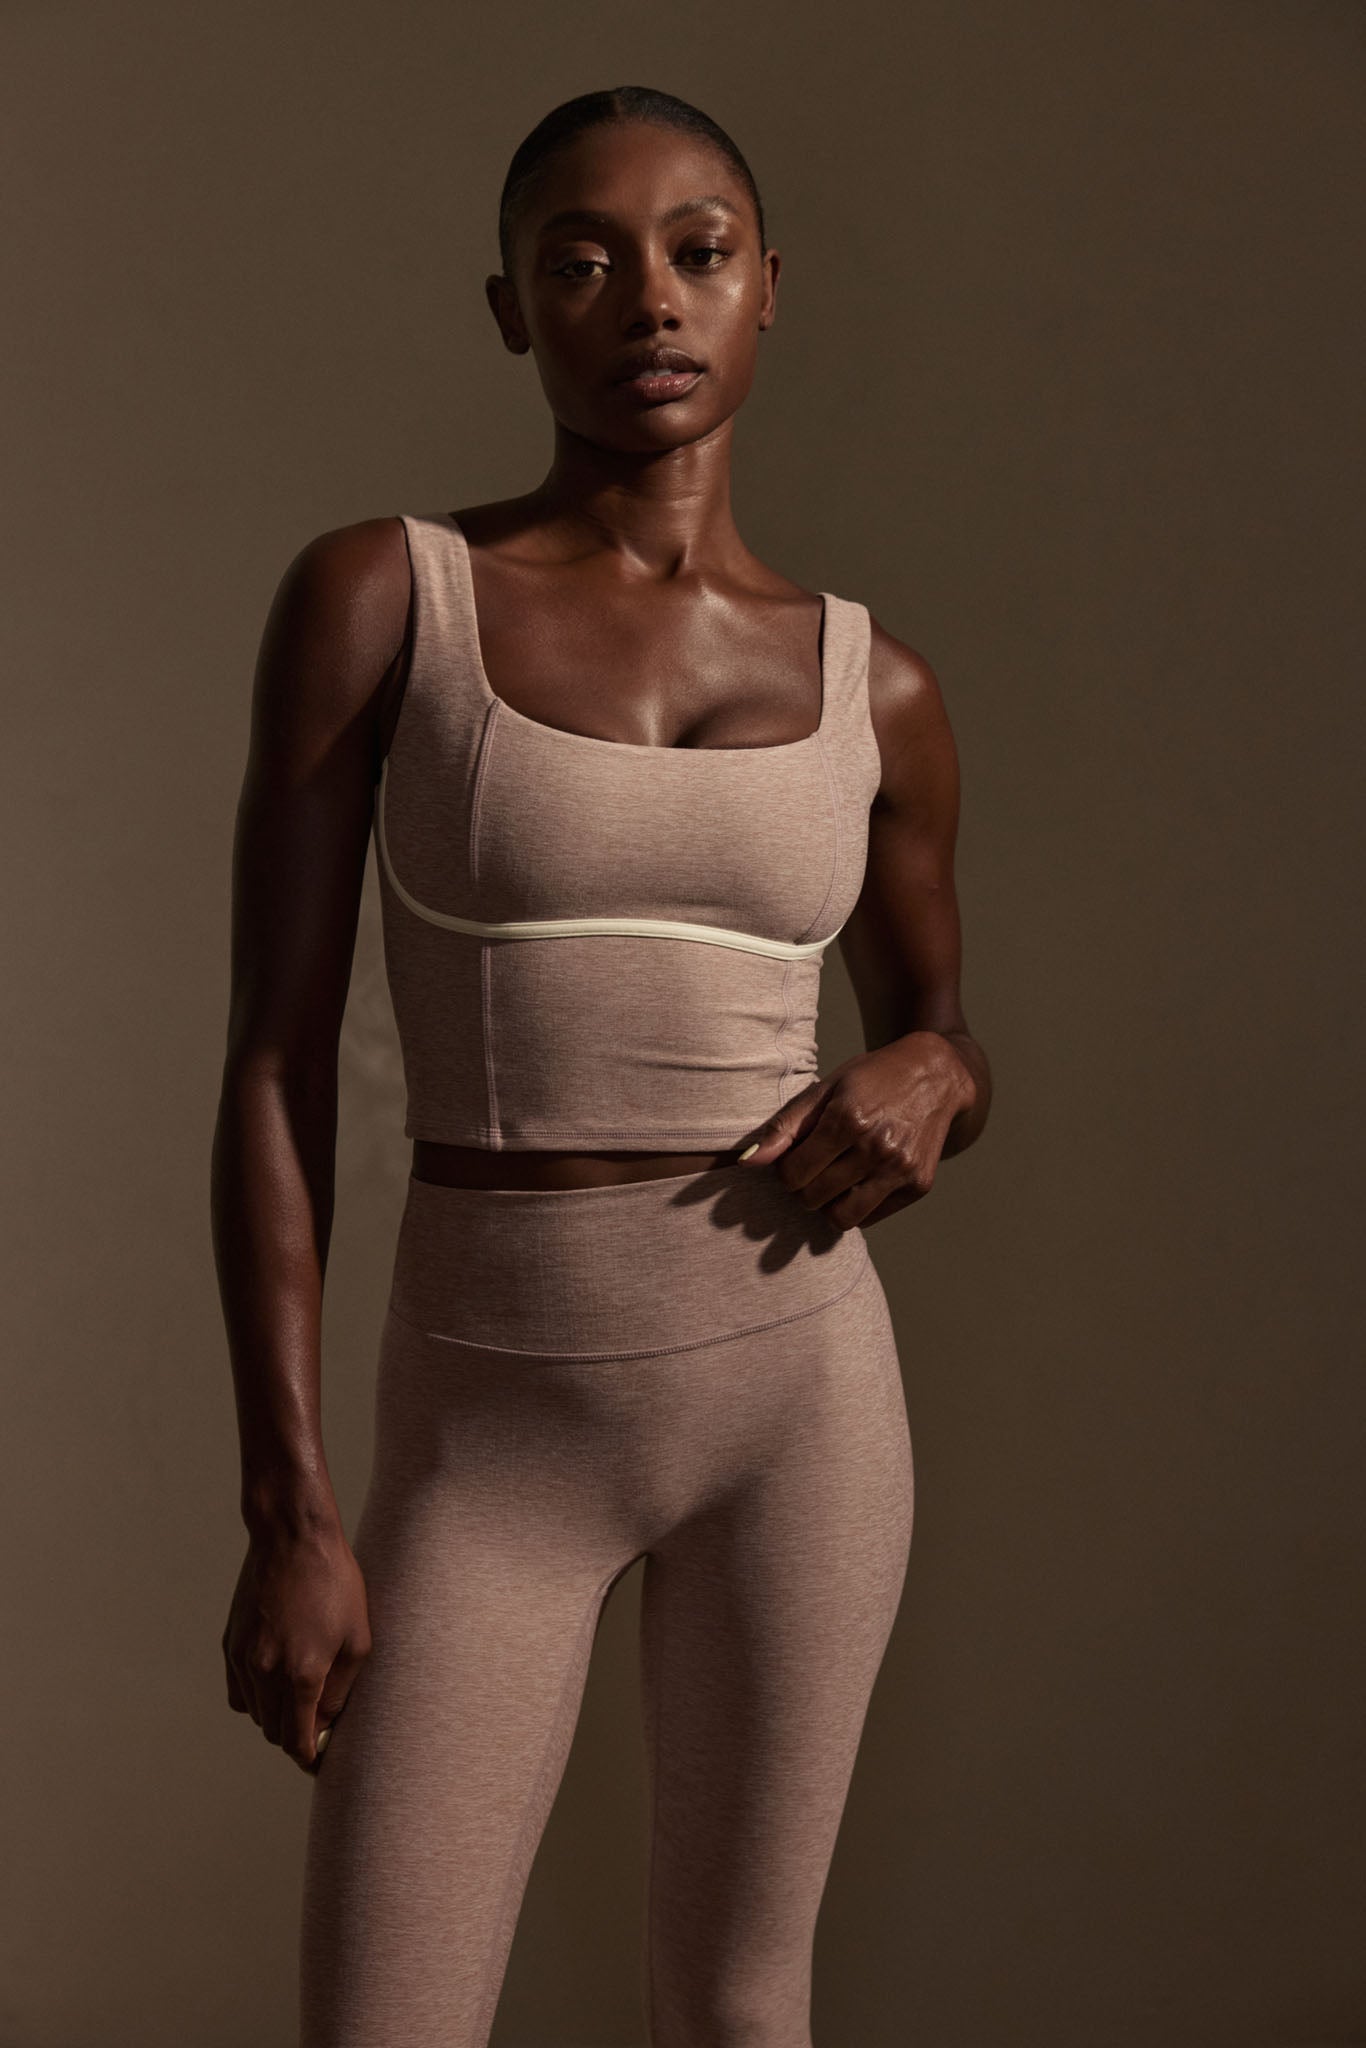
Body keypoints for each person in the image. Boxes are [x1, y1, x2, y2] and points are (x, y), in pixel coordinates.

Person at [212, 82, 992, 2048]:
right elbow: (271, 1070)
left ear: (763, 290)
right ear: (510, 310)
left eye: (693, 250)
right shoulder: (387, 603)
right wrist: (292, 1507)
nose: (644, 296)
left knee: (741, 2006)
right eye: (580, 257)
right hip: (491, 1435)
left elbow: (944, 1036)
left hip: (802, 1402)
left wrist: (925, 1073)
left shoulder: (875, 687)